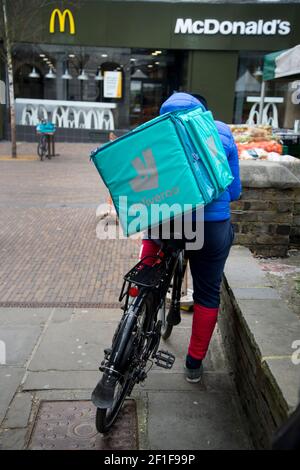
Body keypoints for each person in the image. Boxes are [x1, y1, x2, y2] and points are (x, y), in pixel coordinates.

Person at [139, 92, 242, 383]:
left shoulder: (154, 133)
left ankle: (136, 306)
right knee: (207, 292)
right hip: (210, 226)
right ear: (204, 115)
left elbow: (144, 184)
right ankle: (194, 365)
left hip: (169, 219)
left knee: (153, 240)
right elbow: (233, 191)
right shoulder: (220, 132)